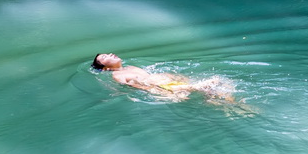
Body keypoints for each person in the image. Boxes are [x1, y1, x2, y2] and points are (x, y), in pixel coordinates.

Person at [92, 53, 240, 105]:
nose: (110, 54)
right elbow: (135, 87)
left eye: (108, 53)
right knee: (214, 81)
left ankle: (230, 105)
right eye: (105, 57)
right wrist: (163, 94)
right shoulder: (116, 75)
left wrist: (181, 78)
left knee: (215, 90)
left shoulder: (129, 67)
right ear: (105, 67)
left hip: (171, 83)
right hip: (165, 88)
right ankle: (229, 105)